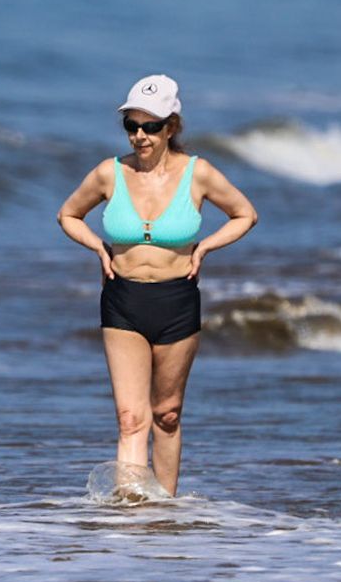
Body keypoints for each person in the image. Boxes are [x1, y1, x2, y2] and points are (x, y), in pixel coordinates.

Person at [56, 74, 258, 497]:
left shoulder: (198, 173)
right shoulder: (108, 174)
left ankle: (164, 507)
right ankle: (131, 512)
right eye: (132, 126)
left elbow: (244, 214)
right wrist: (97, 247)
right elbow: (68, 215)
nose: (140, 136)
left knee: (166, 414)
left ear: (171, 126)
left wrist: (203, 249)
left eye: (150, 126)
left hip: (176, 301)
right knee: (131, 419)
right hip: (122, 299)